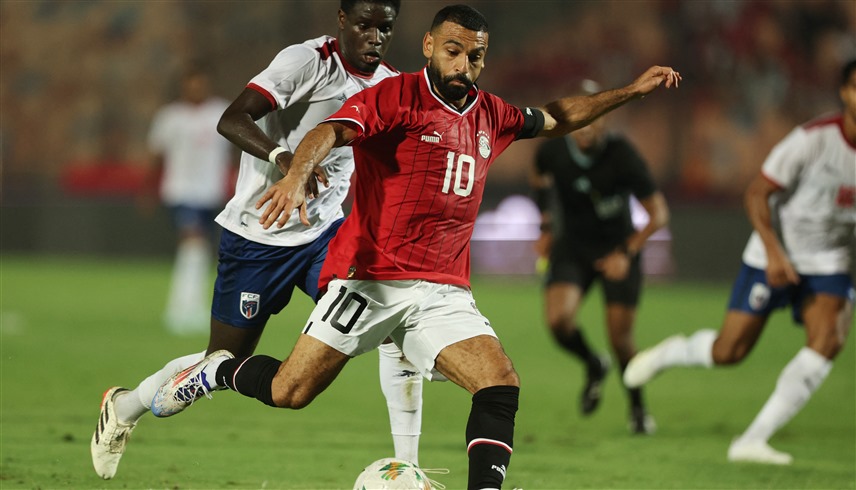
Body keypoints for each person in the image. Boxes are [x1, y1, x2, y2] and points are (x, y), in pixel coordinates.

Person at [152, 5, 680, 488]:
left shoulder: (492, 114)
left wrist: (630, 92)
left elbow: (557, 117)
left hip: (443, 290)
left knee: (499, 383)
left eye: (475, 57)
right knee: (290, 391)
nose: (464, 66)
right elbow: (330, 132)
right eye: (453, 51)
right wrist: (293, 172)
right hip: (371, 280)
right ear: (429, 46)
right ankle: (218, 371)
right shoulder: (394, 96)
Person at [90, 0, 423, 480]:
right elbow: (232, 118)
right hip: (256, 236)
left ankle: (408, 468)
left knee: (390, 323)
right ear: (342, 20)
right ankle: (125, 407)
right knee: (223, 361)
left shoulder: (391, 86)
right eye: (364, 25)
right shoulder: (306, 62)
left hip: (324, 237)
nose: (375, 37)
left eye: (385, 28)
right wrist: (287, 160)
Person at [624, 59, 856, 465]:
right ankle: (671, 352)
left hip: (830, 260)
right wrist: (774, 252)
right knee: (729, 352)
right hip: (774, 253)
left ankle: (752, 440)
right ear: (844, 92)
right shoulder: (812, 140)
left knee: (828, 342)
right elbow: (756, 194)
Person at [530, 79, 669, 435]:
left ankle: (638, 408)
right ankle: (593, 363)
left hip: (617, 249)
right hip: (573, 247)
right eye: (581, 117)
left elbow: (659, 214)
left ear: (606, 118)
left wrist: (626, 252)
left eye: (595, 116)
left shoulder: (622, 155)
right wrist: (546, 226)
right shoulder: (553, 151)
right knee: (558, 321)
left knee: (621, 340)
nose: (586, 126)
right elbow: (540, 177)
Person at [145, 66, 233, 335]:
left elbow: (233, 152)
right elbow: (156, 155)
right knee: (193, 245)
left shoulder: (221, 112)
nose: (196, 89)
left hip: (210, 192)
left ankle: (190, 306)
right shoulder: (170, 117)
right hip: (181, 191)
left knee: (201, 251)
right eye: (191, 84)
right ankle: (181, 311)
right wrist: (147, 189)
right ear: (184, 86)